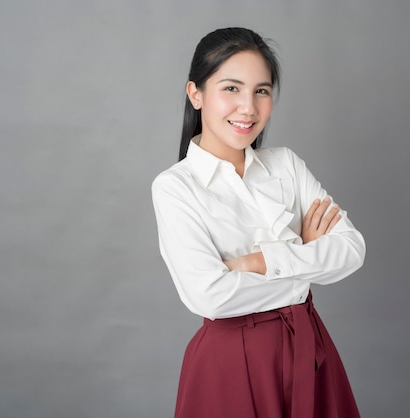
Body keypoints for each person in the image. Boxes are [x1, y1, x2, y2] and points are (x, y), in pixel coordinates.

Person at [152, 27, 366, 418]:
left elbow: (352, 251)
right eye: (231, 89)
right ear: (195, 94)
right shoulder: (175, 187)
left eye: (261, 91)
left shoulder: (285, 165)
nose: (248, 107)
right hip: (231, 364)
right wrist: (305, 255)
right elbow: (210, 297)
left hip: (309, 347)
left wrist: (258, 263)